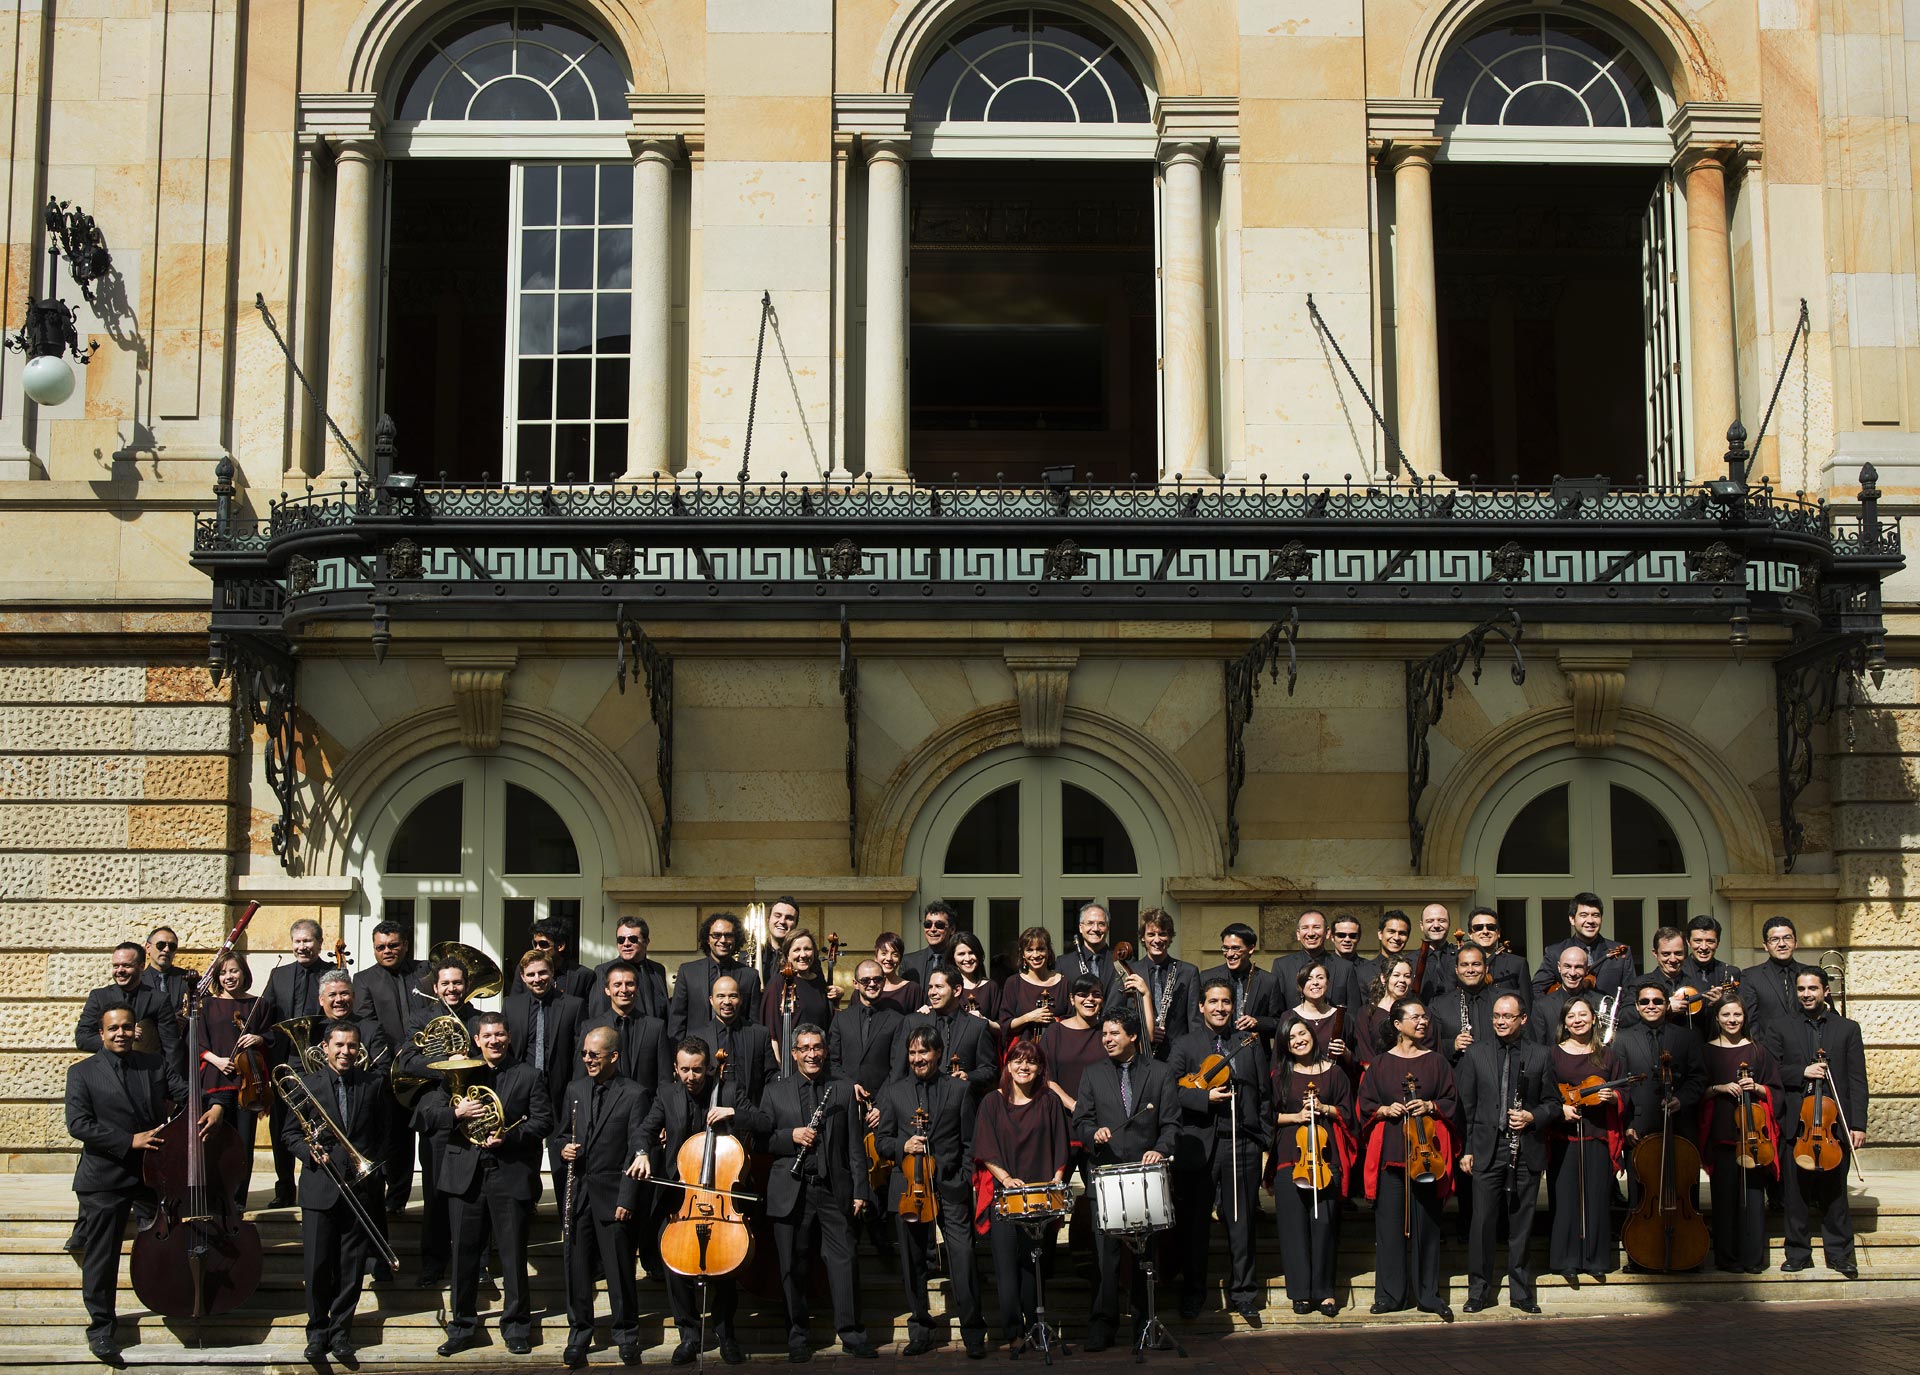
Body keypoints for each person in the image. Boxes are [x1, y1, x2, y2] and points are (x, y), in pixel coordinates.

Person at [416, 1010, 553, 1357]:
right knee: (463, 1256)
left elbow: (543, 1121)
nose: (494, 1041)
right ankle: (461, 1327)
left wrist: (509, 1136)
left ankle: (517, 1326)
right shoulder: (459, 1072)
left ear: (509, 1037)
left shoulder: (529, 1075)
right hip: (466, 1177)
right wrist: (457, 1113)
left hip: (508, 1173)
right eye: (487, 1035)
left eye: (500, 1034)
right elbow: (425, 1117)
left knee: (512, 1255)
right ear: (476, 1040)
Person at [65, 1005, 196, 1361]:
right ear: (101, 1033)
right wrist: (129, 1141)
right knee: (101, 1257)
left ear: (135, 1030)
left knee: (171, 1243)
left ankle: (176, 1300)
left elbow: (186, 1095)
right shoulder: (82, 1072)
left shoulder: (154, 1064)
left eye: (126, 1027)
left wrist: (213, 1106)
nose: (120, 1033)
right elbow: (78, 1124)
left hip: (152, 1175)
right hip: (104, 1178)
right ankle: (101, 1330)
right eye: (113, 1029)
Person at [758, 1024, 879, 1361]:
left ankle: (852, 1334)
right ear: (794, 1054)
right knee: (791, 1266)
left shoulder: (842, 1090)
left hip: (832, 1189)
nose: (811, 1054)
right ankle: (797, 1337)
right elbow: (761, 1140)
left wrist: (861, 1190)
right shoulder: (774, 1091)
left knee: (845, 1261)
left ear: (825, 1051)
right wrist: (791, 1136)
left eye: (817, 1048)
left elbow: (854, 1145)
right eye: (805, 1049)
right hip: (791, 1190)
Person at [630, 1038, 752, 1365]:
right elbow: (644, 1130)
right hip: (679, 1197)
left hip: (721, 1195)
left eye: (697, 1070)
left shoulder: (728, 1091)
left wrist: (733, 1113)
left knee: (726, 1263)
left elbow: (764, 1121)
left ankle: (726, 1334)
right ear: (675, 1068)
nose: (691, 1076)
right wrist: (642, 1153)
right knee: (673, 1263)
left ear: (708, 1067)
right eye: (684, 1069)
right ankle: (688, 1335)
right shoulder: (666, 1094)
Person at [282, 1018, 391, 1366]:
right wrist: (308, 1152)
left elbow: (385, 1134)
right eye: (339, 1045)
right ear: (325, 1047)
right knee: (317, 1266)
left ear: (359, 1049)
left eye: (352, 1046)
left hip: (358, 1189)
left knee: (350, 1267)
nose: (346, 1051)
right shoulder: (306, 1084)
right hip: (319, 1186)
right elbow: (289, 1134)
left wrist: (373, 1168)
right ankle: (317, 1333)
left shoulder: (373, 1084)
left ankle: (342, 1333)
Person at [1070, 1008, 1177, 1348]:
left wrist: (1160, 1149)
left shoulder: (1160, 1072)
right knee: (1106, 1258)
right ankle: (1103, 1325)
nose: (1107, 1039)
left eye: (1114, 1033)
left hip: (1145, 1178)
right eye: (1104, 1034)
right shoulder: (1092, 1073)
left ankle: (1145, 1324)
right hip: (1106, 1176)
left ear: (1132, 1035)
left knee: (1145, 1256)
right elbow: (1081, 1120)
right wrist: (1093, 1133)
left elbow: (1171, 1124)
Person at [1167, 977, 1270, 1324]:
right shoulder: (1185, 1044)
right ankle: (1194, 1293)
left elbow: (1264, 1094)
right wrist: (1203, 1097)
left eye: (1225, 1002)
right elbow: (1170, 1092)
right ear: (1201, 1006)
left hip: (1242, 1142)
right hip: (1200, 1144)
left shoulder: (1248, 1042)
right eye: (1213, 1001)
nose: (1220, 1008)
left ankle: (1244, 1294)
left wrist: (1262, 1138)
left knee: (1242, 1223)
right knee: (1195, 1224)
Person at [1357, 995, 1457, 1321]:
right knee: (1388, 1228)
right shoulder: (1380, 1064)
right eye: (1415, 1017)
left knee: (1427, 1227)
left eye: (1424, 1017)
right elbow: (1365, 1104)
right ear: (1398, 1025)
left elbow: (1451, 1101)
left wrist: (1430, 1106)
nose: (1422, 1022)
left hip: (1426, 1156)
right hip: (1391, 1154)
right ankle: (1389, 1295)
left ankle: (1428, 1294)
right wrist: (1384, 1110)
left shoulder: (1437, 1062)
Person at [555, 1025, 651, 1369]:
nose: (587, 1059)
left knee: (619, 1272)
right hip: (579, 1195)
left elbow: (636, 1146)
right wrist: (562, 1148)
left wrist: (627, 1197)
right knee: (577, 1271)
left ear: (614, 1056)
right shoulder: (574, 1089)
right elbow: (561, 1134)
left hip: (613, 1196)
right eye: (584, 1053)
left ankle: (627, 1336)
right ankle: (578, 1336)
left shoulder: (635, 1094)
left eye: (594, 1054)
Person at [1456, 992, 1555, 1314]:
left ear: (1523, 1019)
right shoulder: (1476, 1053)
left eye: (1507, 1016)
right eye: (1496, 1016)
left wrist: (1532, 1116)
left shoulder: (1542, 1054)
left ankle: (1521, 1293)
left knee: (1521, 1226)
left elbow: (1553, 1103)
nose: (1500, 1021)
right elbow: (1467, 1107)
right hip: (1488, 1148)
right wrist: (1467, 1149)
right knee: (1482, 1224)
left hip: (1526, 1149)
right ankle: (1478, 1291)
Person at [1766, 968, 1868, 1278]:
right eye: (1801, 989)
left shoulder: (1847, 1028)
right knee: (1795, 1194)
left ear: (1825, 991)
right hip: (1797, 1124)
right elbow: (1770, 1071)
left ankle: (1840, 1254)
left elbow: (1857, 1079)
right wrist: (1802, 1071)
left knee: (1835, 1194)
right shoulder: (1780, 1026)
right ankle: (1798, 1253)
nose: (1806, 994)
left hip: (1834, 1125)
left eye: (1812, 988)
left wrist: (1858, 1124)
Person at [972, 1041, 1070, 1349]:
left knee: (1034, 1266)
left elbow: (1061, 1145)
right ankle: (1013, 1331)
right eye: (1017, 1061)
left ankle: (1036, 1327)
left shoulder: (1049, 1101)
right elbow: (984, 1147)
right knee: (1006, 1266)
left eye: (1031, 1062)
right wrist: (1006, 1178)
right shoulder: (992, 1102)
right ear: (1008, 1065)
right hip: (1005, 1195)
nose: (1023, 1067)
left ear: (1040, 1069)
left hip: (1040, 1197)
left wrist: (1055, 1182)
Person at [1269, 1011, 1355, 1319]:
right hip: (1289, 1157)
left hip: (1325, 1158)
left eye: (1302, 1034)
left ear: (1312, 1036)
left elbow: (1349, 1112)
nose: (1298, 1040)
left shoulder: (1334, 1073)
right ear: (1285, 1045)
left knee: (1324, 1226)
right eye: (1291, 1037)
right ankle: (1300, 1293)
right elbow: (1268, 1115)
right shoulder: (1280, 1075)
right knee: (1292, 1228)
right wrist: (1296, 1116)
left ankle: (1325, 1291)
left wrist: (1325, 1108)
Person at [399, 954, 479, 1287]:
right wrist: (448, 1059)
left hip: (473, 1112)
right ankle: (433, 1263)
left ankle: (475, 1262)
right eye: (445, 983)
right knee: (435, 1194)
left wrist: (470, 1059)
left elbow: (492, 1056)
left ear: (467, 985)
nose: (452, 988)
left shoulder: (480, 1019)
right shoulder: (420, 1019)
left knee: (473, 1194)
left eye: (457, 982)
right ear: (435, 987)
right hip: (436, 1115)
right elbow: (407, 1062)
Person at [1546, 994, 1625, 1282]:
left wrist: (1612, 1096)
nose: (1577, 1020)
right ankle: (1566, 1260)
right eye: (1571, 1016)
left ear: (1593, 1019)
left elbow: (1624, 1091)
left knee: (1597, 1198)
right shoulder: (1552, 1054)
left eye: (1583, 1015)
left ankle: (1596, 1260)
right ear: (1564, 1023)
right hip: (1564, 1136)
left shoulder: (1607, 1055)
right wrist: (1561, 1108)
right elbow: (1546, 1092)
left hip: (1598, 1135)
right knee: (1565, 1199)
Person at [1700, 998, 1781, 1275]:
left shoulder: (1758, 1051)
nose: (1732, 1020)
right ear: (1717, 1018)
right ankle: (1727, 1258)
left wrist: (1757, 1087)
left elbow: (1775, 1089)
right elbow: (1697, 1091)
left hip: (1753, 1136)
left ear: (1745, 1017)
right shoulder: (1706, 1051)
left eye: (1737, 1014)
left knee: (1754, 1200)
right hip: (1723, 1133)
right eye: (1726, 1014)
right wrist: (1719, 1088)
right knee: (1724, 1199)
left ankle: (1753, 1258)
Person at [506, 949, 588, 1219]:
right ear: (522, 977)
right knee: (523, 1157)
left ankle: (567, 1215)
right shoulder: (511, 1006)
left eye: (542, 972)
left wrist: (576, 1090)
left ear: (552, 973)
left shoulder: (573, 1005)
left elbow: (579, 1053)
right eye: (531, 974)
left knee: (561, 1157)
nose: (537, 978)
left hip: (560, 1092)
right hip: (524, 1095)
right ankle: (526, 1209)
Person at [352, 919, 426, 1211]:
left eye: (393, 945)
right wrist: (396, 1054)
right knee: (396, 1137)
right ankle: (394, 1200)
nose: (387, 951)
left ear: (405, 945)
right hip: (392, 1069)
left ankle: (422, 1197)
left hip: (427, 1065)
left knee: (426, 1137)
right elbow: (367, 1024)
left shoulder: (425, 971)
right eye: (380, 947)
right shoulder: (363, 979)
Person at [262, 919, 338, 1206]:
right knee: (282, 1125)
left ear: (319, 943)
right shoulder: (278, 974)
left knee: (319, 1123)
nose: (302, 946)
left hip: (318, 1060)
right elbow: (266, 1014)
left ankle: (324, 1182)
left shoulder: (333, 972)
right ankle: (284, 1188)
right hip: (285, 1060)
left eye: (308, 941)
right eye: (297, 941)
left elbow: (340, 1013)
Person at [1612, 976, 1707, 1190]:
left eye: (1657, 1001)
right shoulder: (1622, 1039)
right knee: (1641, 1194)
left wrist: (1681, 1099)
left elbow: (1698, 1077)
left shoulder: (1688, 1037)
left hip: (1679, 1126)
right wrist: (1627, 1124)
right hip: (1638, 1128)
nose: (1651, 1006)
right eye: (1645, 1001)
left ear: (1667, 1005)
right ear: (1637, 1006)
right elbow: (1619, 1085)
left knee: (1682, 1190)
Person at [194, 950, 266, 1209]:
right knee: (215, 1140)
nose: (229, 977)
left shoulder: (259, 1004)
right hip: (215, 1078)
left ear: (243, 973)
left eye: (234, 971)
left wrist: (259, 1038)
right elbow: (196, 1040)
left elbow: (272, 1037)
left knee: (244, 1143)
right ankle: (213, 1198)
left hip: (248, 1082)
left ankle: (237, 1200)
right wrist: (216, 1060)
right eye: (223, 973)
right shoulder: (207, 1005)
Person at [894, 968, 998, 1097]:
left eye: (938, 987)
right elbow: (898, 1071)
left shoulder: (977, 1026)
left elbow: (989, 1070)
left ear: (957, 990)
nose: (932, 992)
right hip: (918, 1100)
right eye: (930, 987)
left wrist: (968, 1076)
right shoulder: (913, 1022)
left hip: (959, 1102)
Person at [75, 941, 181, 1067]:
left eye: (126, 965)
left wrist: (169, 1077)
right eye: (116, 966)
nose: (120, 970)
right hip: (109, 1071)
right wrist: (121, 1038)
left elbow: (171, 1047)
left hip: (146, 1071)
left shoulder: (159, 999)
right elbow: (82, 1038)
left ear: (141, 967)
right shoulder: (99, 997)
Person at [667, 912, 763, 1042]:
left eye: (728, 935)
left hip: (737, 1047)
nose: (723, 940)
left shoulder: (750, 976)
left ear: (735, 939)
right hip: (696, 1049)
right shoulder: (688, 972)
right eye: (716, 935)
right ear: (708, 939)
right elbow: (677, 1020)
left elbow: (754, 1022)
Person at [582, 958, 670, 1097]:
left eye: (629, 984)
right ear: (607, 990)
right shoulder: (591, 1027)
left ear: (638, 989)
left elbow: (665, 1080)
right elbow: (582, 1079)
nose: (624, 990)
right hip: (604, 1105)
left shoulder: (656, 1028)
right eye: (617, 985)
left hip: (647, 1106)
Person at [1122, 909, 1196, 1061]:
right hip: (1140, 1054)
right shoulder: (1130, 972)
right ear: (1143, 938)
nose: (1157, 940)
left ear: (1169, 937)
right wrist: (1146, 1032)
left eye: (1162, 934)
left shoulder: (1188, 972)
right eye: (1151, 934)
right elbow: (1120, 1017)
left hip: (1178, 1056)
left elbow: (1194, 1021)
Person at [1531, 893, 1636, 1000]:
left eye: (1595, 915)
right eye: (1583, 915)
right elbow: (1536, 989)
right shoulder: (1555, 952)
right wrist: (1554, 1008)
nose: (1590, 921)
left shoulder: (1622, 952)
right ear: (1572, 919)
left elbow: (1631, 992)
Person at [1191, 922, 1282, 1045]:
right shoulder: (1206, 977)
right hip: (1214, 1049)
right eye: (1225, 948)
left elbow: (1278, 1022)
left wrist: (1257, 1022)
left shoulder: (1268, 981)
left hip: (1254, 1050)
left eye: (1235, 948)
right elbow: (1196, 1019)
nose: (1229, 954)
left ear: (1251, 949)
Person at [687, 974, 776, 1096]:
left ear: (741, 999)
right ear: (711, 1000)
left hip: (751, 1106)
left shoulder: (760, 1034)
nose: (727, 1002)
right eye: (721, 996)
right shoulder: (697, 1036)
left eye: (732, 996)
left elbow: (771, 1076)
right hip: (710, 1106)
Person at [762, 928, 836, 1071]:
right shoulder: (778, 983)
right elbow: (771, 1034)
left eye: (807, 949)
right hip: (790, 1065)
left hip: (817, 1063)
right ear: (787, 955)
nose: (803, 954)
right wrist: (779, 1069)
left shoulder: (819, 982)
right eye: (796, 950)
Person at [1036, 975, 1107, 1115]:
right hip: (1062, 1113)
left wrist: (1145, 995)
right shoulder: (1055, 1032)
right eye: (1082, 994)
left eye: (1096, 995)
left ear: (1102, 1000)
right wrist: (1074, 1105)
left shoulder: (1108, 1032)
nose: (1090, 999)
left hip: (1102, 1114)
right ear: (1072, 999)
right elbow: (1045, 1077)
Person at [1742, 916, 1818, 1036]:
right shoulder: (1751, 977)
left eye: (1787, 938)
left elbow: (1829, 1014)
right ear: (1765, 945)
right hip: (1768, 1046)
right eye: (1774, 939)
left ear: (1796, 943)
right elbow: (1749, 1022)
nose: (1781, 944)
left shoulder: (1813, 974)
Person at [1277, 910, 1364, 1014]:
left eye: (1316, 927)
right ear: (1298, 934)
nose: (1311, 933)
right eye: (1305, 928)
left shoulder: (1345, 968)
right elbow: (1277, 1014)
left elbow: (1354, 1013)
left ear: (1327, 933)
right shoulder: (1282, 966)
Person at [591, 917, 670, 1020]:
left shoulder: (658, 970)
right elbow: (599, 1015)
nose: (626, 944)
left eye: (632, 939)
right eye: (621, 940)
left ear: (646, 941)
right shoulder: (604, 971)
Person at [1432, 944, 1498, 1065]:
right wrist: (1452, 1045)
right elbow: (1430, 1045)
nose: (1470, 970)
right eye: (1464, 965)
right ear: (1456, 970)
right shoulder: (1439, 1004)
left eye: (1476, 964)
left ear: (1486, 968)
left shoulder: (1504, 1000)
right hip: (1458, 1073)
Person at [1677, 915, 1742, 1033]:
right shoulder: (1677, 971)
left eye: (1710, 941)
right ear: (1688, 942)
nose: (1703, 947)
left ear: (1718, 943)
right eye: (1698, 941)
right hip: (1685, 1036)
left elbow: (1740, 1012)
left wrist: (1722, 1003)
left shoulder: (1731, 972)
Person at [1000, 927, 1066, 1044]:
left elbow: (1074, 1020)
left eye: (1040, 949)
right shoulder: (1013, 983)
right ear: (1023, 954)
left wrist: (1055, 1020)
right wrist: (1029, 1017)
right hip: (1023, 1051)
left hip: (1057, 1048)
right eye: (1029, 950)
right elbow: (1005, 1024)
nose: (1035, 955)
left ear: (1048, 951)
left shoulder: (1064, 983)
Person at [1285, 960, 1353, 1071]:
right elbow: (1279, 1060)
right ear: (1300, 986)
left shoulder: (1343, 1017)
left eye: (1320, 978)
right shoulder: (1288, 1017)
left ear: (1328, 983)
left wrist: (1345, 1052)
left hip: (1333, 1079)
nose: (1315, 982)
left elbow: (1355, 1062)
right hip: (1298, 1079)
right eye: (1309, 979)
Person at [512, 917, 597, 1003]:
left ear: (560, 946)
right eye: (535, 944)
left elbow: (589, 1009)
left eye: (543, 944)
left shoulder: (584, 975)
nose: (537, 948)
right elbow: (514, 1004)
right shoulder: (524, 970)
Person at [1356, 956, 1424, 1063]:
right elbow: (1365, 1052)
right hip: (1376, 1071)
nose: (1402, 980)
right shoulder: (1366, 1013)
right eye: (1396, 975)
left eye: (1407, 976)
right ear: (1383, 978)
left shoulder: (1420, 1013)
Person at [1461, 907, 1531, 1009]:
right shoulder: (1460, 964)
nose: (1485, 931)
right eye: (1478, 928)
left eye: (1491, 927)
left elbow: (1527, 1004)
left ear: (1498, 933)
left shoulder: (1518, 964)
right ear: (1470, 934)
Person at [1527, 945, 1593, 1047]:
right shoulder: (1542, 1006)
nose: (1572, 973)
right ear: (1559, 967)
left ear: (1587, 969)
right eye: (1567, 966)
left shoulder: (1599, 1002)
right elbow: (1537, 1048)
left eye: (1578, 967)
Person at [1056, 902, 1120, 1001]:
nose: (1095, 929)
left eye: (1101, 924)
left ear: (1107, 928)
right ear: (1081, 928)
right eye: (1090, 923)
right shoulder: (1063, 964)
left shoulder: (1123, 962)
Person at [947, 930, 1003, 1036]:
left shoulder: (991, 987)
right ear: (953, 958)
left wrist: (984, 1020)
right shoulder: (948, 987)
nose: (967, 958)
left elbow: (1001, 1027)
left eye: (971, 953)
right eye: (961, 954)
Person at [140, 925, 198, 1021]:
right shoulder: (137, 980)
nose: (166, 950)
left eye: (172, 946)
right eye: (160, 945)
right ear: (148, 948)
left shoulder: (189, 978)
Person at [903, 901, 959, 987]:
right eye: (928, 924)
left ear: (952, 929)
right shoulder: (908, 962)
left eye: (939, 925)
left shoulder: (959, 961)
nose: (932, 929)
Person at [1412, 903, 1459, 1002]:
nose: (1436, 925)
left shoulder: (1461, 956)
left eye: (1442, 921)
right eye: (1430, 921)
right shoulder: (1410, 960)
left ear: (1449, 924)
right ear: (1421, 925)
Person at [754, 896, 803, 989]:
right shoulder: (749, 957)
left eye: (789, 918)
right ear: (768, 920)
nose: (782, 921)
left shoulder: (804, 959)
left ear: (796, 924)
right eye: (777, 915)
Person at [871, 932, 923, 1017]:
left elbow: (918, 1020)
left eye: (895, 954)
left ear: (900, 959)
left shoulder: (912, 990)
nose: (889, 958)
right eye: (884, 953)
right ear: (876, 957)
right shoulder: (865, 987)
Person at [1360, 910, 1413, 991]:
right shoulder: (1364, 971)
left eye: (1402, 933)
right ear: (1380, 934)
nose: (1396, 938)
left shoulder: (1414, 969)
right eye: (1391, 932)